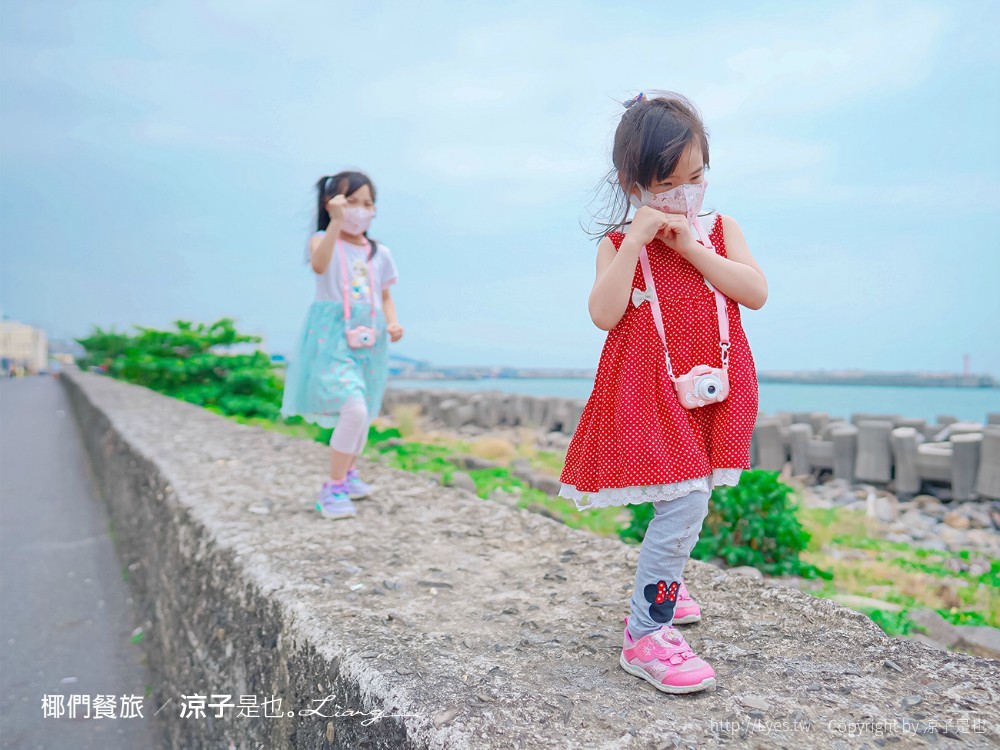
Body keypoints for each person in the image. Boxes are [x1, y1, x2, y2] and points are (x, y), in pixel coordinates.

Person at [559, 92, 767, 693]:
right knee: (684, 501)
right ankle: (646, 632)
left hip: (712, 384)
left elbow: (754, 292)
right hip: (648, 392)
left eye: (695, 178)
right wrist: (637, 241)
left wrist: (691, 248)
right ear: (634, 186)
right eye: (667, 185)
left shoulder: (720, 230)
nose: (684, 194)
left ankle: (667, 587)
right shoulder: (617, 243)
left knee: (690, 494)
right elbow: (604, 314)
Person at [281, 171, 403, 519]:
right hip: (332, 336)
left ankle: (348, 473)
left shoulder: (379, 253)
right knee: (354, 409)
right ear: (331, 203)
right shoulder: (324, 240)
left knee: (365, 411)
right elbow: (319, 266)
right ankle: (332, 487)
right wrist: (335, 221)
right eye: (351, 202)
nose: (360, 210)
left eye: (367, 204)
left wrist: (393, 321)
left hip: (371, 338)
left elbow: (385, 295)